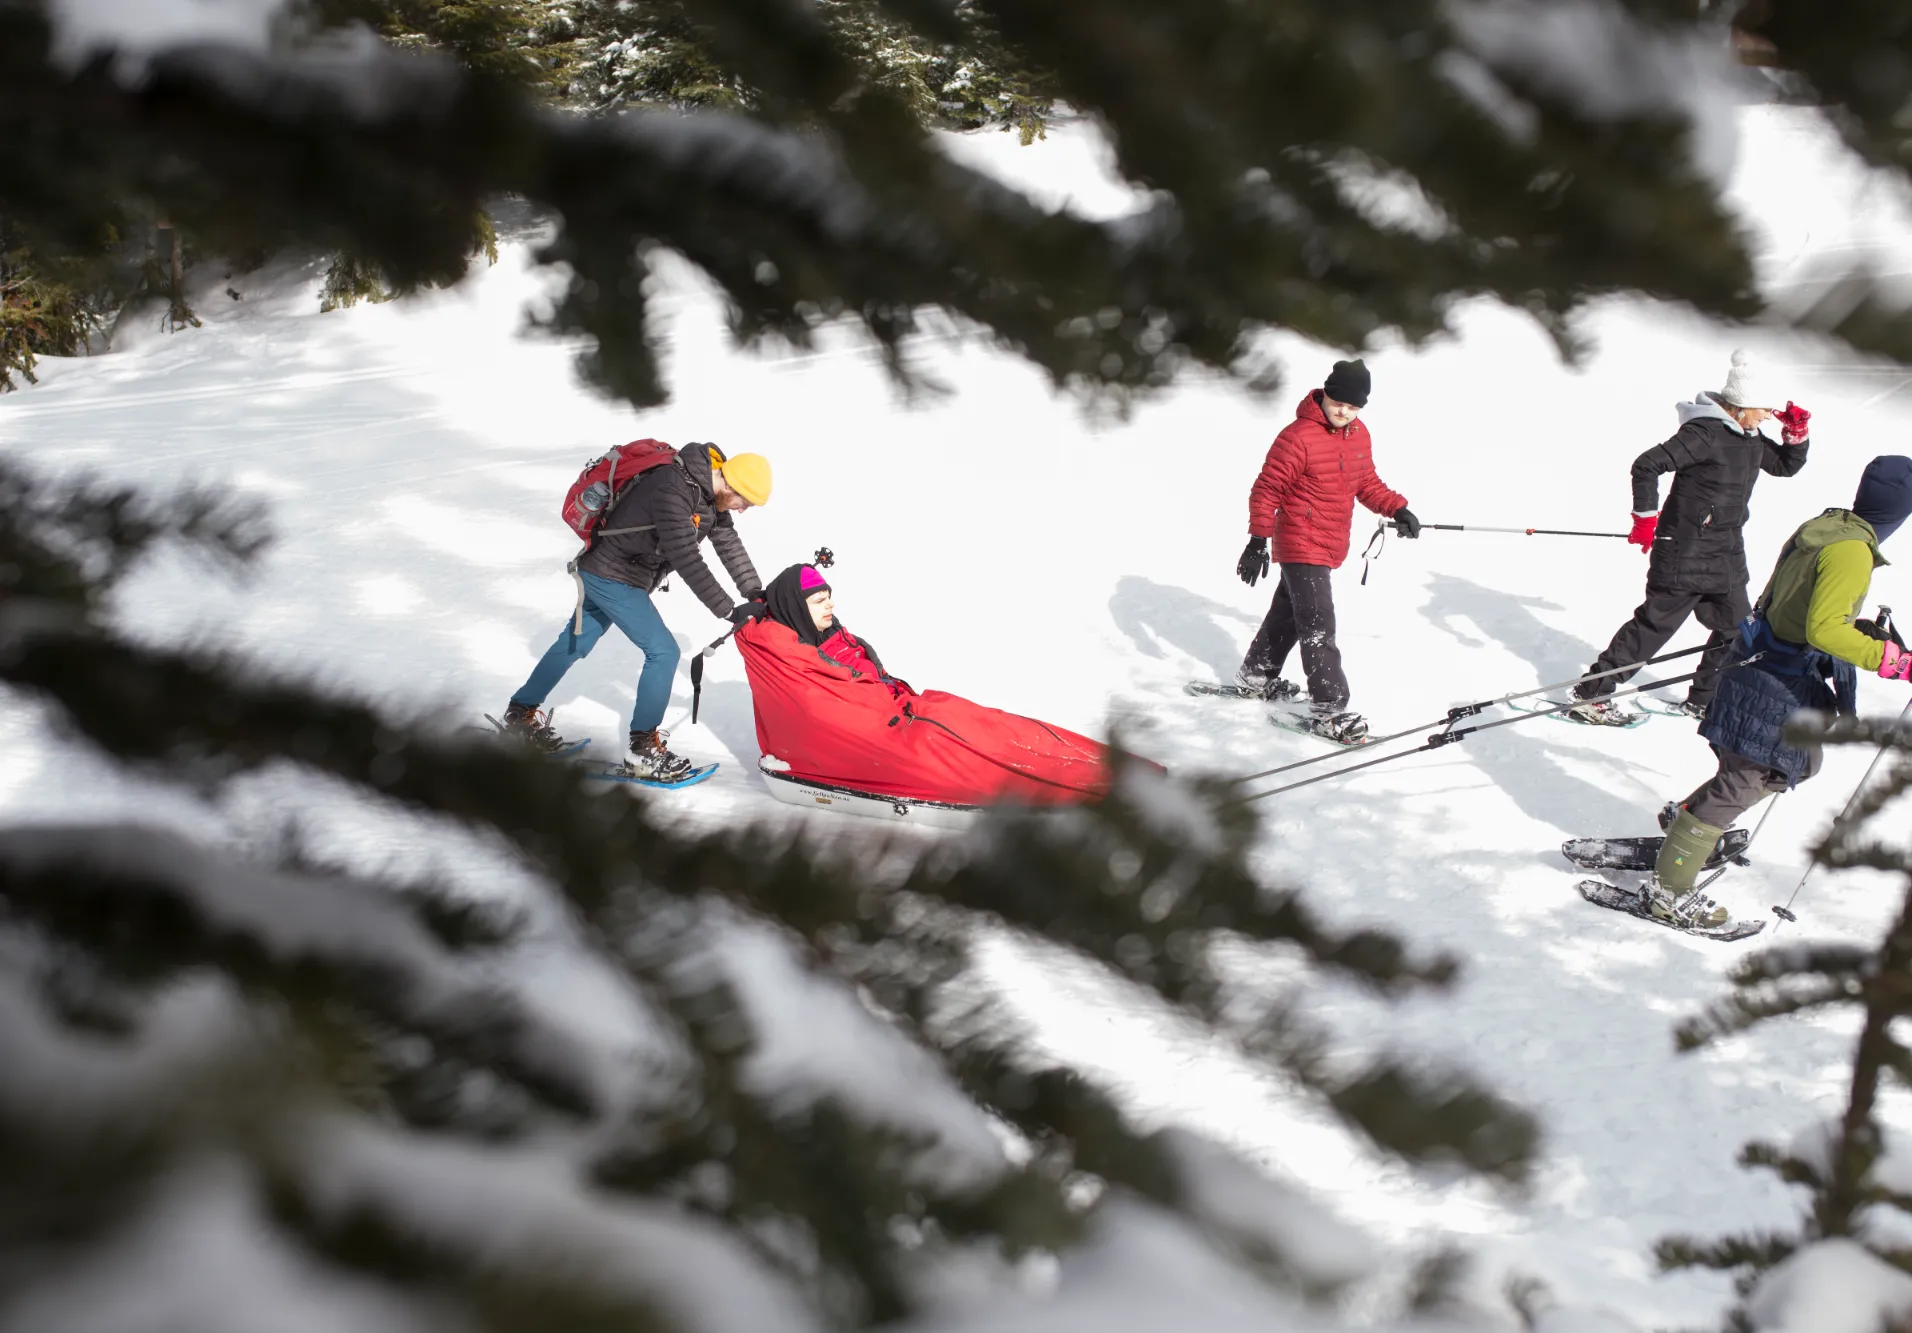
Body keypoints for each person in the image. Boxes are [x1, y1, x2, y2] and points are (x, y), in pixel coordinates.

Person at [1644, 455, 1912, 929]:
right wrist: (1891, 661)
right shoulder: (1852, 552)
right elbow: (1826, 629)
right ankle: (1668, 889)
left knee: (1799, 763)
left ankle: (1693, 820)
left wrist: (1866, 632)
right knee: (1745, 777)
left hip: (1770, 664)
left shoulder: (1830, 527)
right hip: (1774, 674)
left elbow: (1805, 606)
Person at [735, 563, 1123, 806]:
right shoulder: (788, 656)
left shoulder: (827, 639)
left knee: (986, 723)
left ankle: (1111, 769)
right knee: (975, 752)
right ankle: (1095, 786)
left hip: (906, 710)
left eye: (829, 597)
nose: (831, 607)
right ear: (796, 607)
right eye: (820, 600)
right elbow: (829, 712)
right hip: (893, 733)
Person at [501, 442, 772, 780]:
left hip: (611, 572)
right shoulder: (672, 488)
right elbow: (687, 557)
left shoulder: (707, 497)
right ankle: (642, 750)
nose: (743, 509)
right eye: (744, 501)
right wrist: (729, 610)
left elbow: (728, 543)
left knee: (575, 644)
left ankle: (518, 716)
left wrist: (755, 592)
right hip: (613, 576)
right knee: (663, 651)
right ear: (729, 484)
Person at [1569, 351, 1811, 726]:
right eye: (1764, 408)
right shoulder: (1705, 434)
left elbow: (1784, 466)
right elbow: (1647, 465)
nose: (1768, 415)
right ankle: (1591, 694)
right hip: (1686, 550)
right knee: (1655, 625)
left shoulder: (1749, 436)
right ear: (1743, 404)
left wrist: (1795, 436)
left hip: (1726, 552)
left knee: (1736, 630)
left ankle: (1703, 699)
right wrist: (1645, 519)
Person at [1235, 358, 1419, 744]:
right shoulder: (1297, 436)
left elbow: (1365, 482)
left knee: (1288, 613)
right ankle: (1329, 709)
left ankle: (1256, 675)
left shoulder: (1358, 434)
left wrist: (1398, 508)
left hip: (1329, 542)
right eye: (1339, 402)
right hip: (1301, 540)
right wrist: (1257, 541)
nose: (1344, 411)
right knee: (1318, 625)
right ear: (1326, 395)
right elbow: (1266, 490)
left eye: (1353, 407)